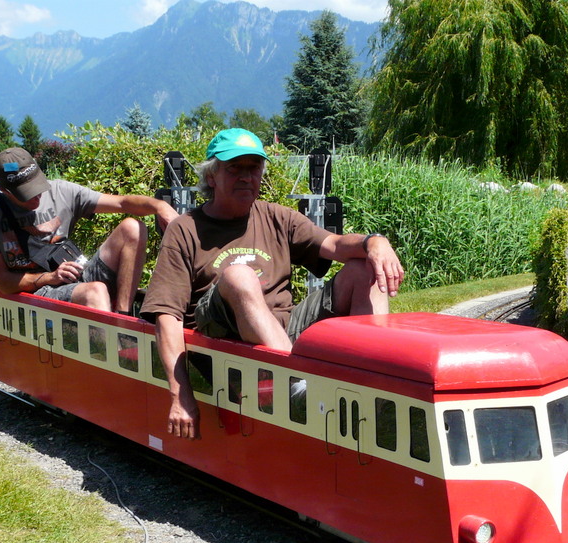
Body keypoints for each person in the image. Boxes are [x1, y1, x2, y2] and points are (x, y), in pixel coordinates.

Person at [140, 127, 404, 439]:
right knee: (239, 274)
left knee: (363, 268)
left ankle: (375, 389)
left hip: (284, 330)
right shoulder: (185, 230)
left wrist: (375, 242)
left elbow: (333, 244)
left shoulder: (277, 217)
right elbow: (166, 316)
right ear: (212, 176)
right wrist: (180, 394)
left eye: (254, 168)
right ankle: (298, 387)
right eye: (234, 168)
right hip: (224, 338)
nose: (245, 176)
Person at [0, 147, 179, 314]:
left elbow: (123, 203)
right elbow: (5, 283)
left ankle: (123, 317)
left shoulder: (61, 190)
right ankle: (114, 351)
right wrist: (50, 277)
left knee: (132, 228)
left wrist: (160, 207)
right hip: (39, 288)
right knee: (95, 291)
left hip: (73, 272)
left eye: (37, 186)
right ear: (4, 191)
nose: (37, 197)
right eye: (27, 193)